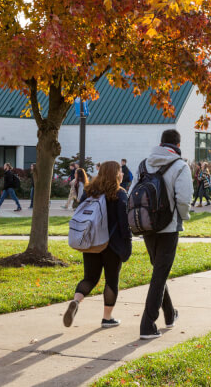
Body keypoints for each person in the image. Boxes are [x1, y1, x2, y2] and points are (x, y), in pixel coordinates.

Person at [138, 129, 193, 339]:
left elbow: (135, 191)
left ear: (161, 143)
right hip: (169, 227)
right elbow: (184, 199)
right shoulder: (180, 166)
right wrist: (183, 217)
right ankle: (147, 324)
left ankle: (170, 315)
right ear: (178, 145)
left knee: (159, 272)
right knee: (160, 274)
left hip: (147, 225)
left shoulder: (144, 164)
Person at [63, 161, 131, 329]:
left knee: (90, 278)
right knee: (111, 281)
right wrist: (127, 244)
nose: (122, 174)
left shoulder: (89, 191)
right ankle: (107, 318)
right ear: (116, 174)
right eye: (120, 171)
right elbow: (124, 223)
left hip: (91, 242)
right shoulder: (119, 193)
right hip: (112, 245)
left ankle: (76, 300)